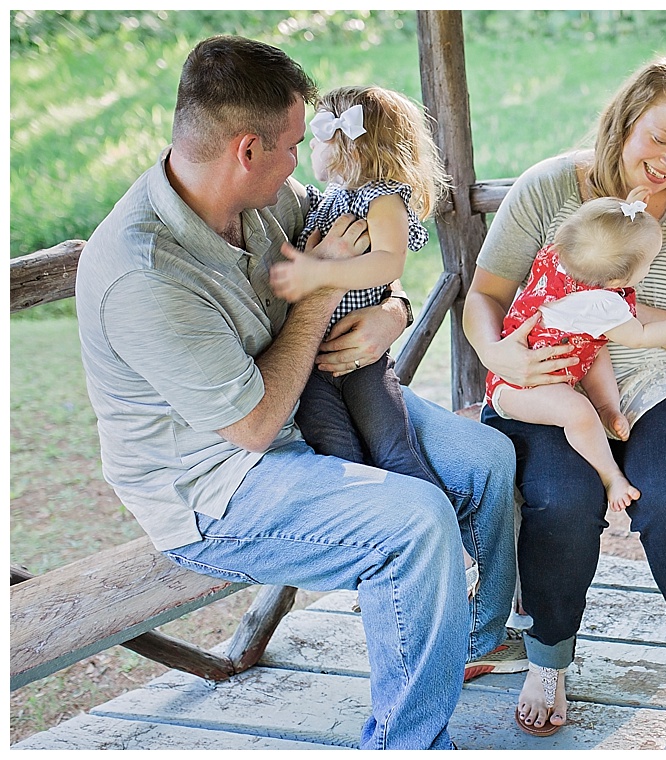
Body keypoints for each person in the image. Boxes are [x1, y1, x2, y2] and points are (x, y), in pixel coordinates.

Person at [74, 35, 517, 750]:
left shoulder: (270, 198)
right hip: (216, 487)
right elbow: (250, 426)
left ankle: (478, 641)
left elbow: (360, 257)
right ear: (247, 150)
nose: (302, 159)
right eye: (292, 143)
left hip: (316, 408)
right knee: (413, 521)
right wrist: (317, 302)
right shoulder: (142, 272)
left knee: (488, 460)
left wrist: (391, 313)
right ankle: (407, 741)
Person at [463, 57, 666, 740]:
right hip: (551, 375)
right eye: (659, 137)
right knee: (563, 499)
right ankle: (547, 659)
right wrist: (500, 356)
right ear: (626, 119)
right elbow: (484, 297)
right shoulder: (552, 185)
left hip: (655, 378)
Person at [484, 188, 666, 511]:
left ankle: (608, 410)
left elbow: (599, 229)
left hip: (554, 354)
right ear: (618, 280)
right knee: (578, 412)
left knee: (595, 351)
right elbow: (641, 335)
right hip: (522, 385)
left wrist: (624, 214)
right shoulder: (599, 304)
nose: (648, 268)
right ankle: (610, 475)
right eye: (648, 264)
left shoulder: (562, 253)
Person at [270, 84, 446, 489]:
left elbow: (389, 262)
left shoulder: (382, 200)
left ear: (350, 147)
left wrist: (321, 274)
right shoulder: (333, 196)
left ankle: (444, 534)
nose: (308, 149)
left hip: (362, 362)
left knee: (393, 448)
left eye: (316, 139)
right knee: (337, 454)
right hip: (311, 361)